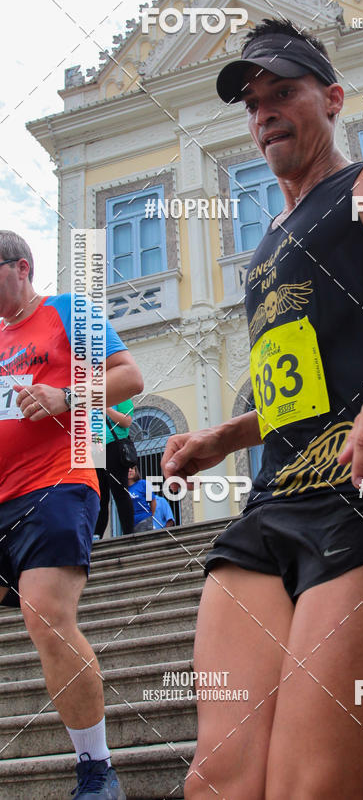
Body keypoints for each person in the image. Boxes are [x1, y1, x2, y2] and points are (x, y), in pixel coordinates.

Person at [162, 19, 363, 800]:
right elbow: (306, 386)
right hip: (273, 506)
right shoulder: (266, 245)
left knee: (311, 787)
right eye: (253, 102)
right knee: (220, 784)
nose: (266, 112)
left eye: (284, 93)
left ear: (332, 98)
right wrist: (225, 434)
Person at [0, 231, 143, 800]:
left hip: (57, 482)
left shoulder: (66, 311)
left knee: (44, 611)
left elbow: (129, 376)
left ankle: (96, 768)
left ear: (21, 267)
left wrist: (67, 397)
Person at [94, 400, 136, 538]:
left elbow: (126, 422)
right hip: (96, 450)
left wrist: (106, 408)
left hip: (114, 447)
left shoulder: (122, 397)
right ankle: (97, 535)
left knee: (120, 492)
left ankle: (129, 533)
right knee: (100, 497)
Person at [126, 465, 157, 533]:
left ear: (136, 471)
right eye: (127, 469)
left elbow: (153, 501)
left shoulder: (143, 483)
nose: (130, 470)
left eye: (132, 468)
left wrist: (151, 516)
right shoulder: (122, 489)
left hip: (144, 520)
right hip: (129, 523)